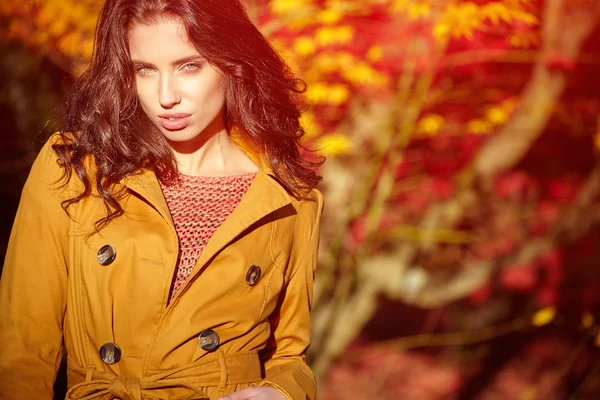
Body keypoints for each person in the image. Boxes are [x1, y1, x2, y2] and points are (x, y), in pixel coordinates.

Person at [0, 0, 324, 399]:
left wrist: (278, 392)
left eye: (190, 66)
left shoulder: (289, 198)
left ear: (231, 63)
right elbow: (22, 346)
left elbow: (290, 354)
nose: (165, 96)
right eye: (144, 70)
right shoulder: (77, 167)